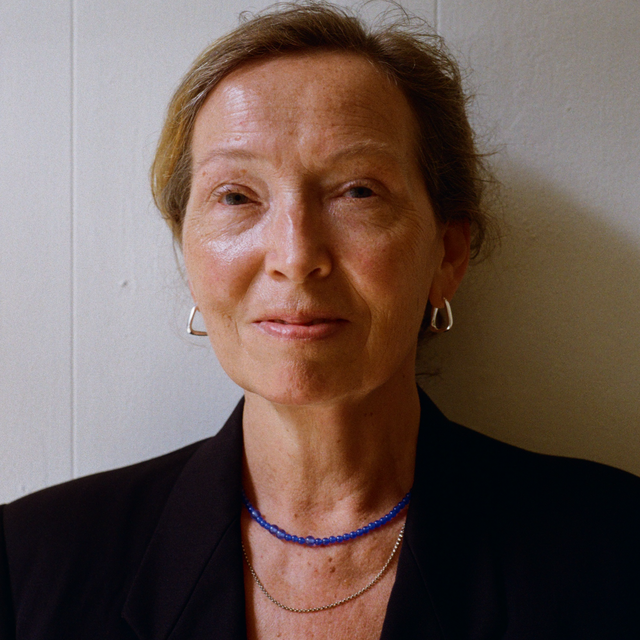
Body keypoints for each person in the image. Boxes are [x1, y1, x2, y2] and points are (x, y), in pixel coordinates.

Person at [2, 3, 639, 639]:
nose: (296, 256)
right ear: (188, 254)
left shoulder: (617, 554)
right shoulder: (29, 561)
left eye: (357, 191)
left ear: (446, 255)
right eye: (237, 197)